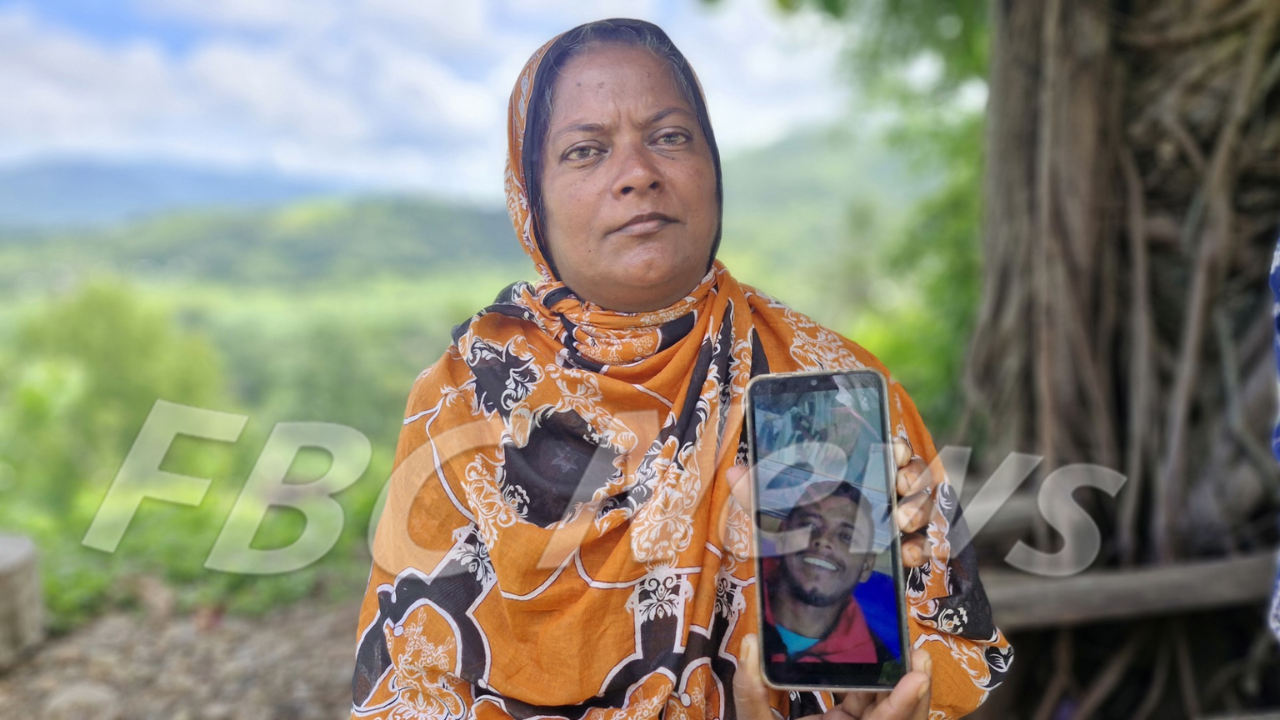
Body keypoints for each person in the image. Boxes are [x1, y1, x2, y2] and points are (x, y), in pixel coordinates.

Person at [349, 18, 1011, 720]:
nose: (638, 174)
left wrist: (893, 631)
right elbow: (412, 677)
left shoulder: (833, 380)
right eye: (585, 150)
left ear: (712, 165)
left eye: (669, 137)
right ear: (530, 197)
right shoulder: (464, 395)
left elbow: (943, 653)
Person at [761, 481, 898, 667]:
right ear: (782, 537)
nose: (824, 540)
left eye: (846, 536)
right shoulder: (732, 595)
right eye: (810, 525)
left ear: (866, 565)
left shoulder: (876, 666)